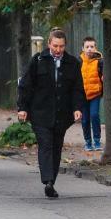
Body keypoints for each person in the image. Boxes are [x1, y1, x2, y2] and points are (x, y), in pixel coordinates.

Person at [17, 29, 85, 198]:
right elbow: (26, 86)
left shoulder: (73, 63)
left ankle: (50, 182)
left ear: (65, 45)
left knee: (56, 146)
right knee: (46, 144)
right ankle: (47, 179)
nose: (58, 50)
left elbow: (77, 89)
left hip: (62, 114)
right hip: (40, 112)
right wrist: (22, 108)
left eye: (61, 46)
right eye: (55, 46)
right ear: (49, 44)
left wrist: (77, 108)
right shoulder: (38, 60)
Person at [79, 37, 104, 152]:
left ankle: (97, 140)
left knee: (94, 115)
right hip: (83, 94)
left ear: (95, 48)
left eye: (92, 47)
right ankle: (88, 141)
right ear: (83, 48)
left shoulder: (100, 61)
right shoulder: (79, 61)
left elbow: (103, 75)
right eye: (87, 47)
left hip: (95, 93)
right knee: (85, 119)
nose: (89, 49)